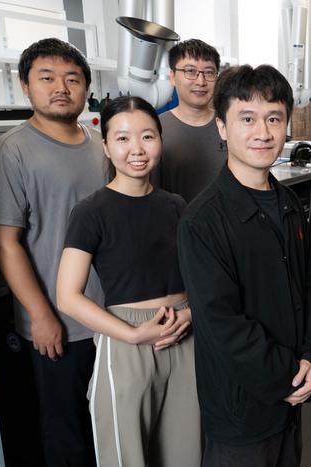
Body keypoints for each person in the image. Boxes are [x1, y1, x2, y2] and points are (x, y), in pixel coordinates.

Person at [177, 64, 311, 467]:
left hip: (291, 396)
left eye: (274, 118)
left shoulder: (288, 202)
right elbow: (221, 323)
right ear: (222, 127)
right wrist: (288, 376)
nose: (263, 132)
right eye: (247, 118)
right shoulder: (202, 221)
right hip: (241, 410)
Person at [0, 38, 106, 466]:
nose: (61, 88)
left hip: (111, 317)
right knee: (66, 430)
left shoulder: (100, 143)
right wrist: (41, 316)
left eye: (72, 79)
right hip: (59, 322)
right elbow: (3, 241)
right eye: (47, 78)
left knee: (107, 426)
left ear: (85, 87)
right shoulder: (12, 150)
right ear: (25, 86)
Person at [56, 96, 201, 467]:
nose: (137, 148)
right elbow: (68, 296)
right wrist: (134, 334)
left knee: (187, 453)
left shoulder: (177, 205)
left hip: (184, 333)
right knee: (127, 457)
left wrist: (192, 313)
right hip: (126, 340)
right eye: (122, 138)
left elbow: (203, 276)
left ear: (160, 141)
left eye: (147, 136)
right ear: (106, 145)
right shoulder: (91, 212)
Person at [153, 38, 226, 202]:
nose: (201, 82)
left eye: (209, 73)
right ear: (172, 77)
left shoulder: (229, 125)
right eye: (190, 71)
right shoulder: (156, 129)